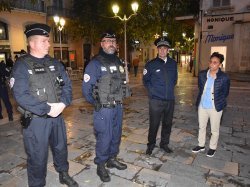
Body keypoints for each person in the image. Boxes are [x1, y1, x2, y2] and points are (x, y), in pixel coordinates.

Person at [10, 23, 78, 187]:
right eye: (44, 41)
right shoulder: (22, 66)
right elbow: (20, 95)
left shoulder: (55, 63)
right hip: (36, 121)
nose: (48, 44)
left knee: (61, 148)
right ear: (32, 44)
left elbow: (67, 86)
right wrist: (47, 108)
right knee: (37, 155)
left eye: (48, 41)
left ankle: (63, 173)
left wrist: (63, 103)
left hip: (57, 117)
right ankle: (37, 184)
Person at [82, 31, 131, 182]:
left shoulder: (118, 61)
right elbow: (86, 89)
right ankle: (101, 164)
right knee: (105, 136)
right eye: (107, 40)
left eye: (113, 40)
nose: (111, 43)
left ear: (116, 45)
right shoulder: (95, 63)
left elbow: (123, 82)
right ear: (102, 44)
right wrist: (97, 104)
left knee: (116, 134)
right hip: (104, 108)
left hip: (118, 106)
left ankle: (112, 158)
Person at [143, 36, 178, 155]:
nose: (162, 51)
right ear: (158, 50)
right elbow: (145, 81)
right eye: (160, 48)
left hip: (169, 100)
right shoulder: (151, 64)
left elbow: (175, 80)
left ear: (168, 50)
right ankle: (151, 145)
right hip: (156, 101)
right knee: (154, 124)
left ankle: (164, 144)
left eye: (165, 48)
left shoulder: (173, 63)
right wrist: (153, 92)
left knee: (167, 124)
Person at [192, 52, 230, 157]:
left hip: (215, 107)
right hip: (202, 106)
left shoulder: (224, 77)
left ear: (220, 65)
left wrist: (218, 101)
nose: (212, 64)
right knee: (202, 127)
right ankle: (201, 145)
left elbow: (225, 92)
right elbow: (201, 88)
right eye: (211, 62)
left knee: (214, 129)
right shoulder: (202, 74)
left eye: (215, 62)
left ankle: (212, 148)